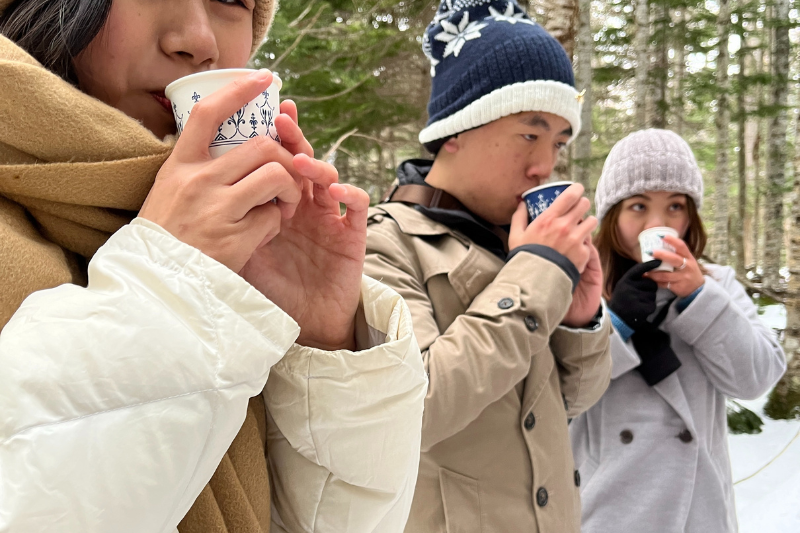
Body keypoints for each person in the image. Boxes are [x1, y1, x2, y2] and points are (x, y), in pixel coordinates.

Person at [0, 1, 427, 532]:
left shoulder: (236, 254)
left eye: (232, 1)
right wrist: (171, 284)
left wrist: (321, 343)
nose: (199, 40)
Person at [363, 1, 613, 531]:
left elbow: (568, 403)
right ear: (457, 128)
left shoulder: (513, 243)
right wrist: (538, 271)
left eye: (558, 142)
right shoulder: (383, 243)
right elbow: (414, 408)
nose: (544, 165)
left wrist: (580, 319)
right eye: (530, 132)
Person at [569, 128, 787, 532]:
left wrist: (700, 298)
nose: (659, 223)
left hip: (699, 515)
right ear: (613, 214)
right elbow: (559, 398)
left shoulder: (717, 284)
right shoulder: (580, 291)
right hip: (608, 512)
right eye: (638, 206)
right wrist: (615, 323)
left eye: (674, 207)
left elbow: (756, 378)